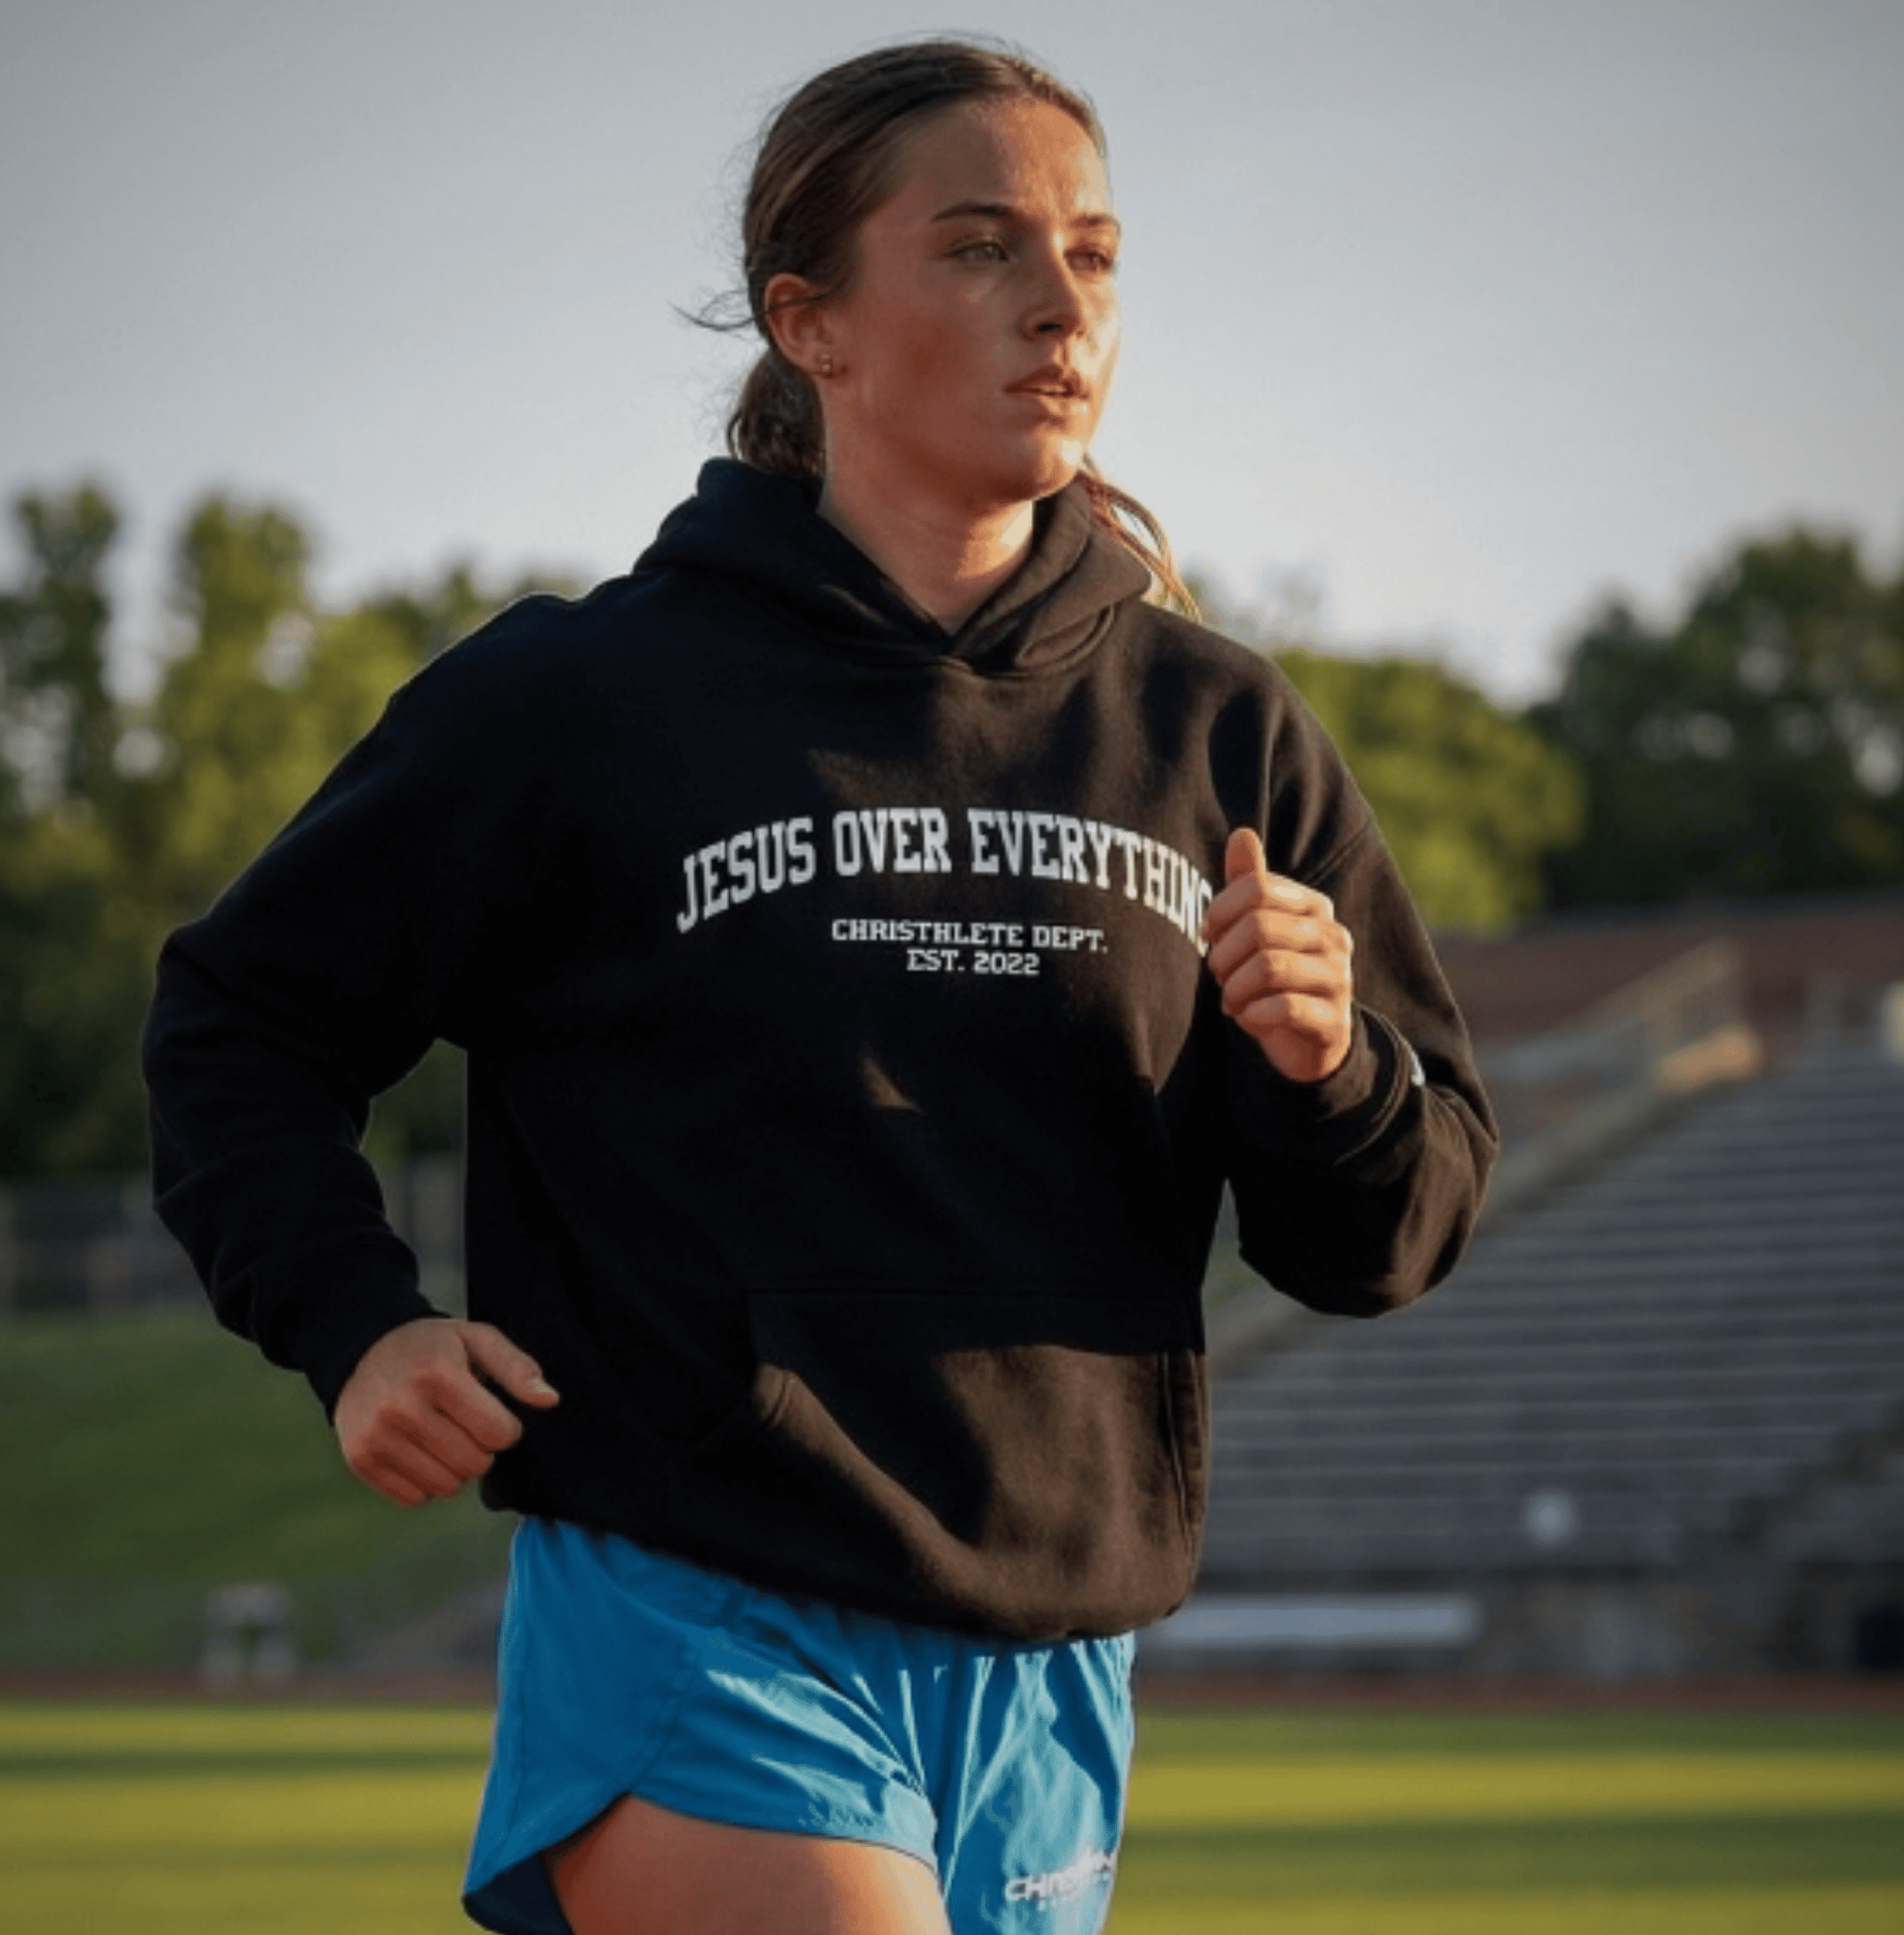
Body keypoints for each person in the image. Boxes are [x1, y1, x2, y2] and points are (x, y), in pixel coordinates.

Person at [143, 38, 1496, 1935]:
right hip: (698, 1596)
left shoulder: (1215, 726)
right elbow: (239, 1022)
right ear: (813, 323)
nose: (1056, 301)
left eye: (1094, 253)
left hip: (1052, 1648)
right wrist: (356, 1320)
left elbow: (1384, 1232)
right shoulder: (585, 698)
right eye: (976, 246)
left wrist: (1327, 1062)